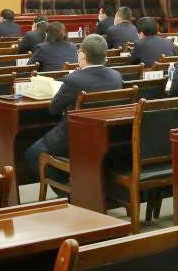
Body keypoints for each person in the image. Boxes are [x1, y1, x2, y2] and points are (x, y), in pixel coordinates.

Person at [23, 35, 122, 176]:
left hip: (74, 139)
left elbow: (53, 109)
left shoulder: (73, 79)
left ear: (82, 55)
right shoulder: (116, 76)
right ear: (105, 55)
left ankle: (66, 186)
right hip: (106, 137)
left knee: (32, 154)